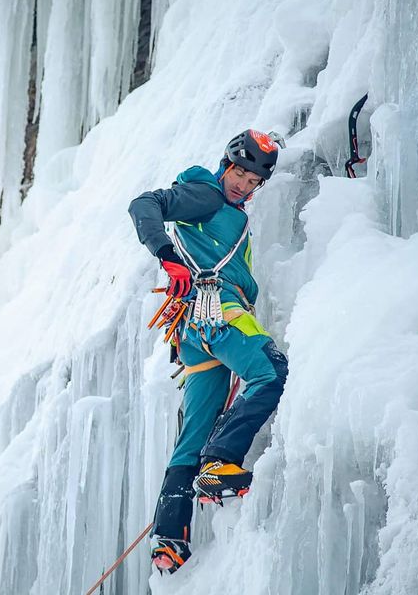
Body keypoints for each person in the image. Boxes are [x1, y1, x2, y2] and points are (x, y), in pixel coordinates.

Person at [127, 129, 289, 573]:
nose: (243, 184)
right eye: (239, 172)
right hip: (217, 311)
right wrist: (168, 256)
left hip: (193, 330)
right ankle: (219, 464)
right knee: (271, 373)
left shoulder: (225, 209)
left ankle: (169, 539)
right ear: (226, 164)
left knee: (191, 435)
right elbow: (146, 204)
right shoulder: (206, 195)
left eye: (253, 181)